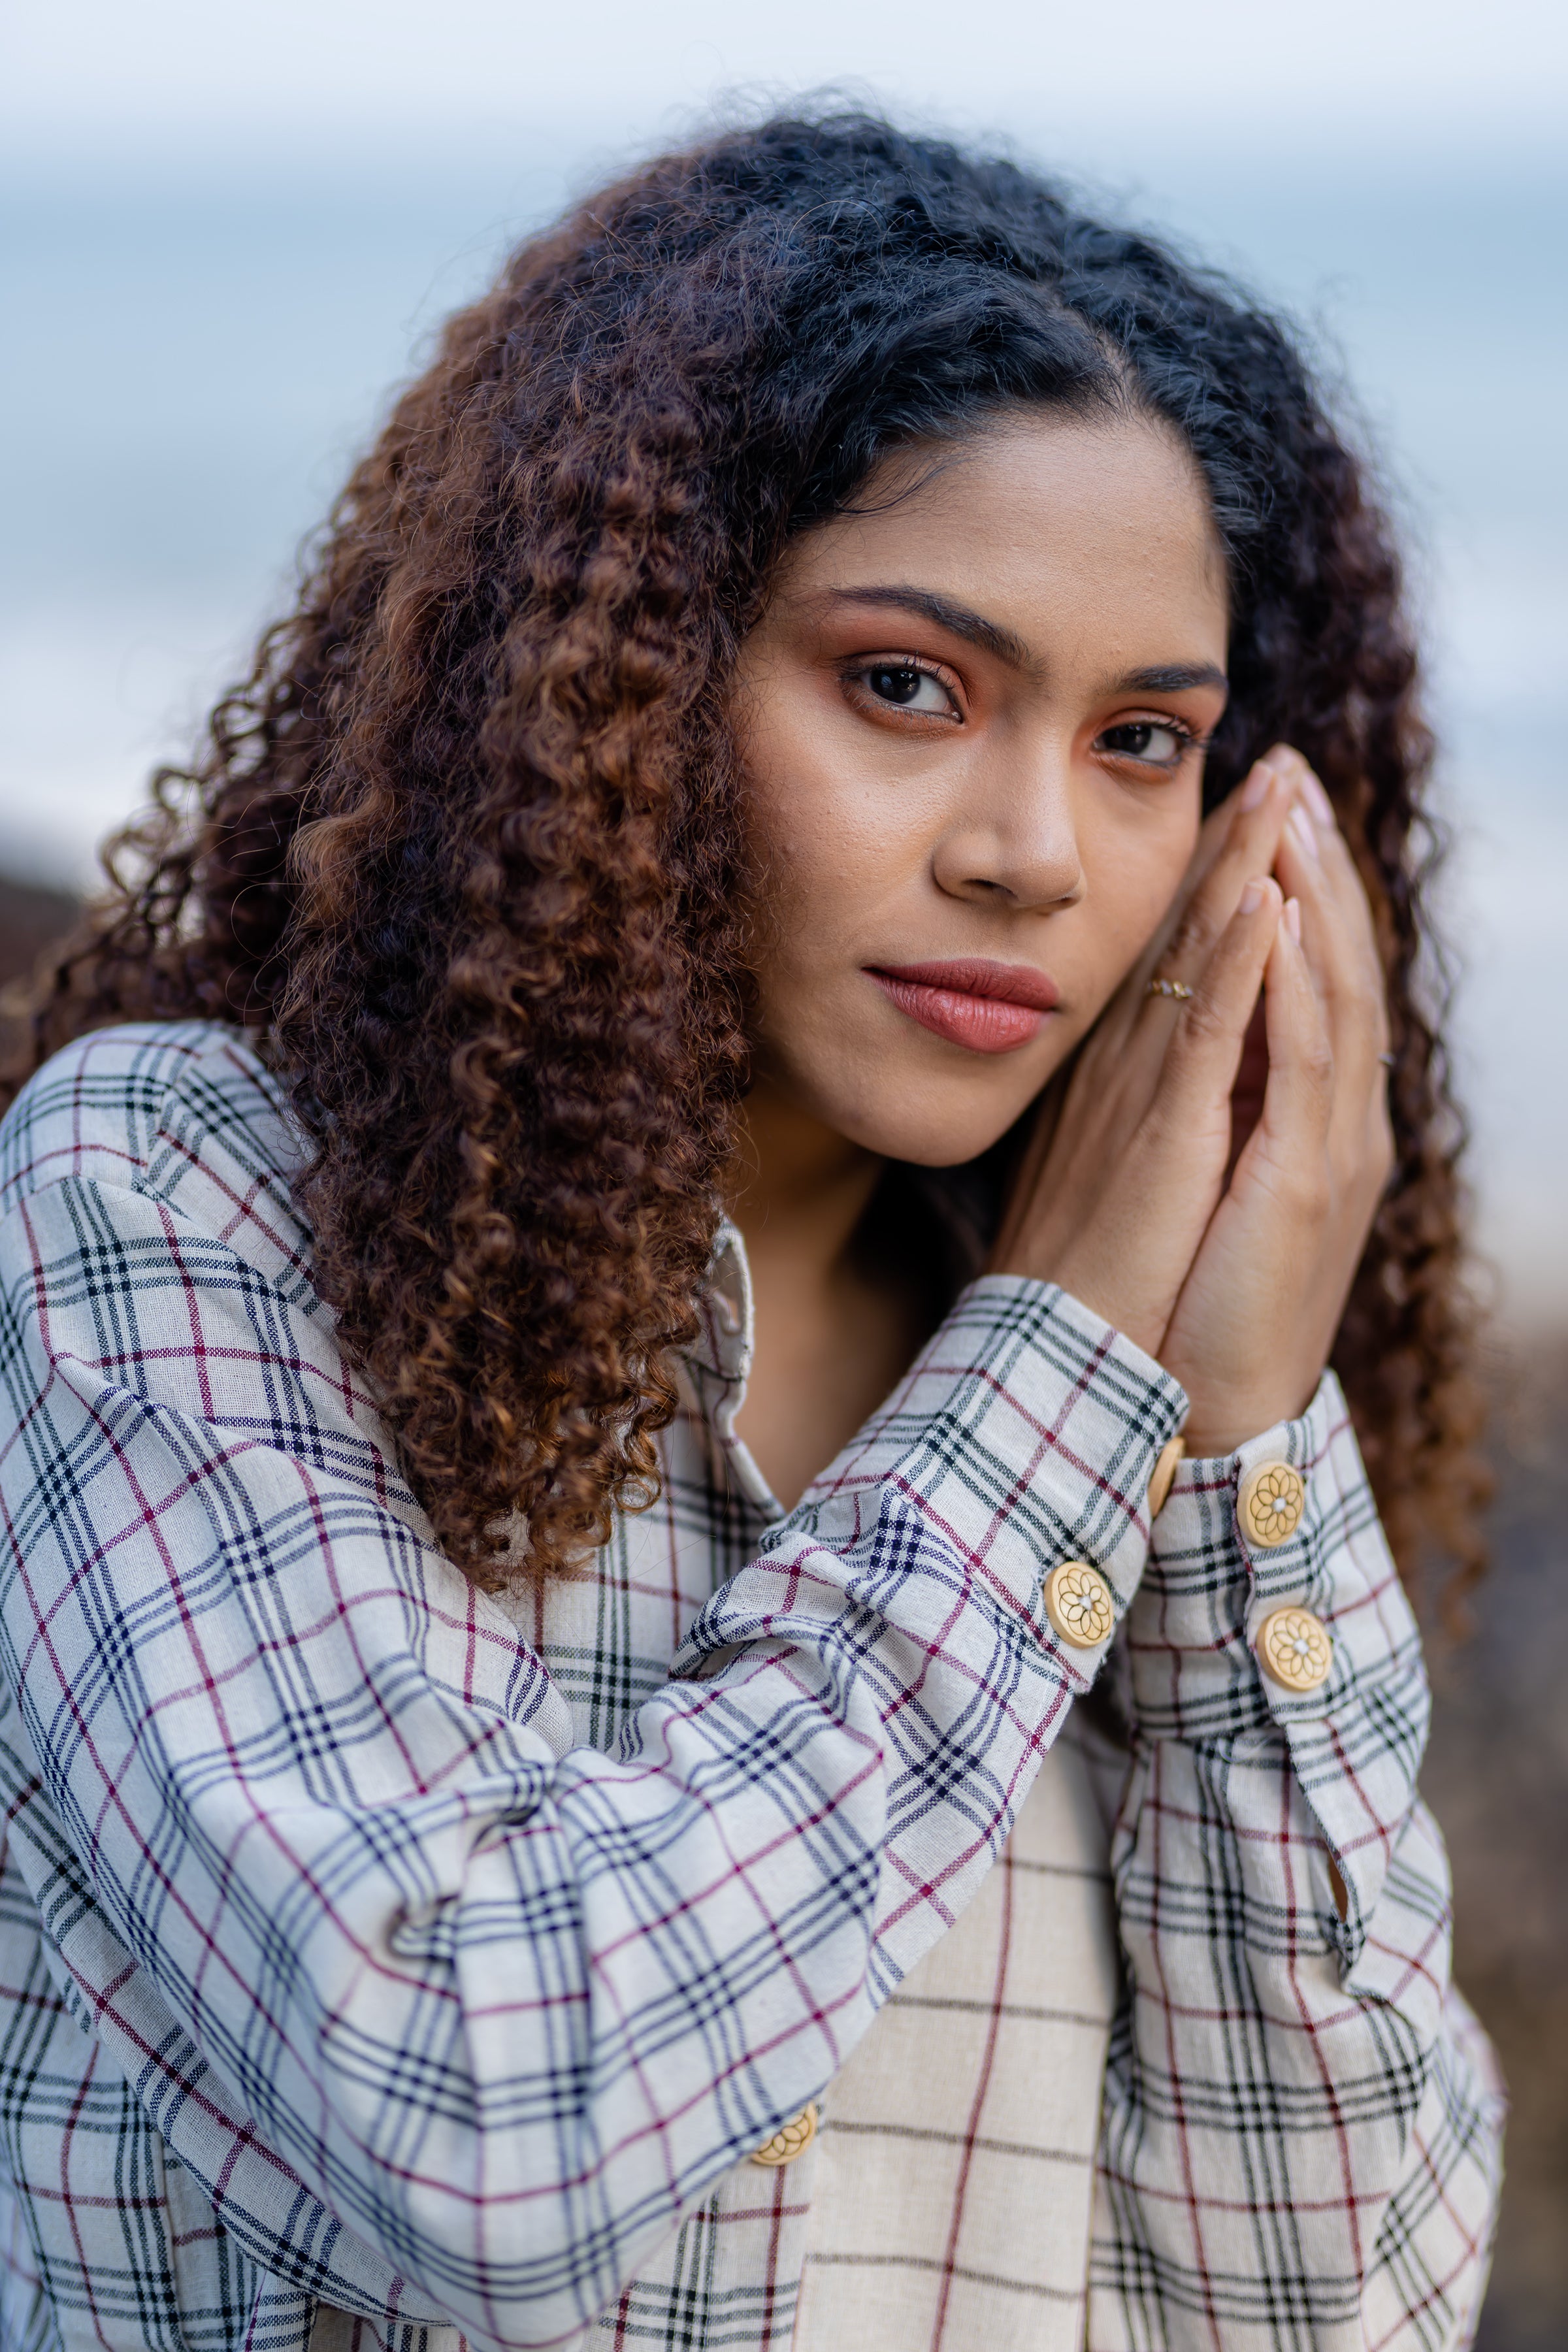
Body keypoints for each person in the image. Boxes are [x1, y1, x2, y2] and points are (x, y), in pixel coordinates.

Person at [0, 112, 1503, 2352]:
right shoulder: (179, 1206)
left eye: (1142, 738)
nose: (1033, 852)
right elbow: (484, 2122)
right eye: (907, 685)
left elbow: (1334, 2307)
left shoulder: (1164, 1414)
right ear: (616, 684)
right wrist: (1062, 1373)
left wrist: (1239, 1451)